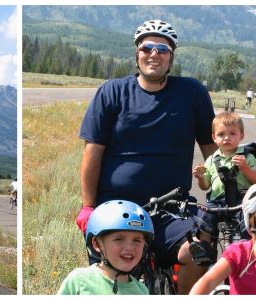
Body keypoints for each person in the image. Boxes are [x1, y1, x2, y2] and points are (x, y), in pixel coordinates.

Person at [76, 19, 217, 294]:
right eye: (147, 47)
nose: (154, 54)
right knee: (107, 281)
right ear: (137, 54)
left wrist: (221, 188)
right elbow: (92, 153)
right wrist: (88, 206)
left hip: (171, 208)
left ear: (171, 57)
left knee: (197, 251)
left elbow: (212, 149)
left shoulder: (191, 92)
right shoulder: (112, 92)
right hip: (117, 207)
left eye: (162, 49)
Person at [58, 200, 153, 295]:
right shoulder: (78, 281)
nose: (129, 247)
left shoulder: (142, 291)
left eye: (137, 240)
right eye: (119, 239)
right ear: (97, 244)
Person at [193, 111, 256, 205]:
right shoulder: (211, 160)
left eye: (232, 133)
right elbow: (205, 186)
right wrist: (201, 178)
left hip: (243, 202)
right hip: (216, 203)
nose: (226, 138)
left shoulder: (247, 157)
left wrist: (245, 168)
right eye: (221, 134)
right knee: (204, 219)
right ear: (214, 138)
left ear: (241, 136)